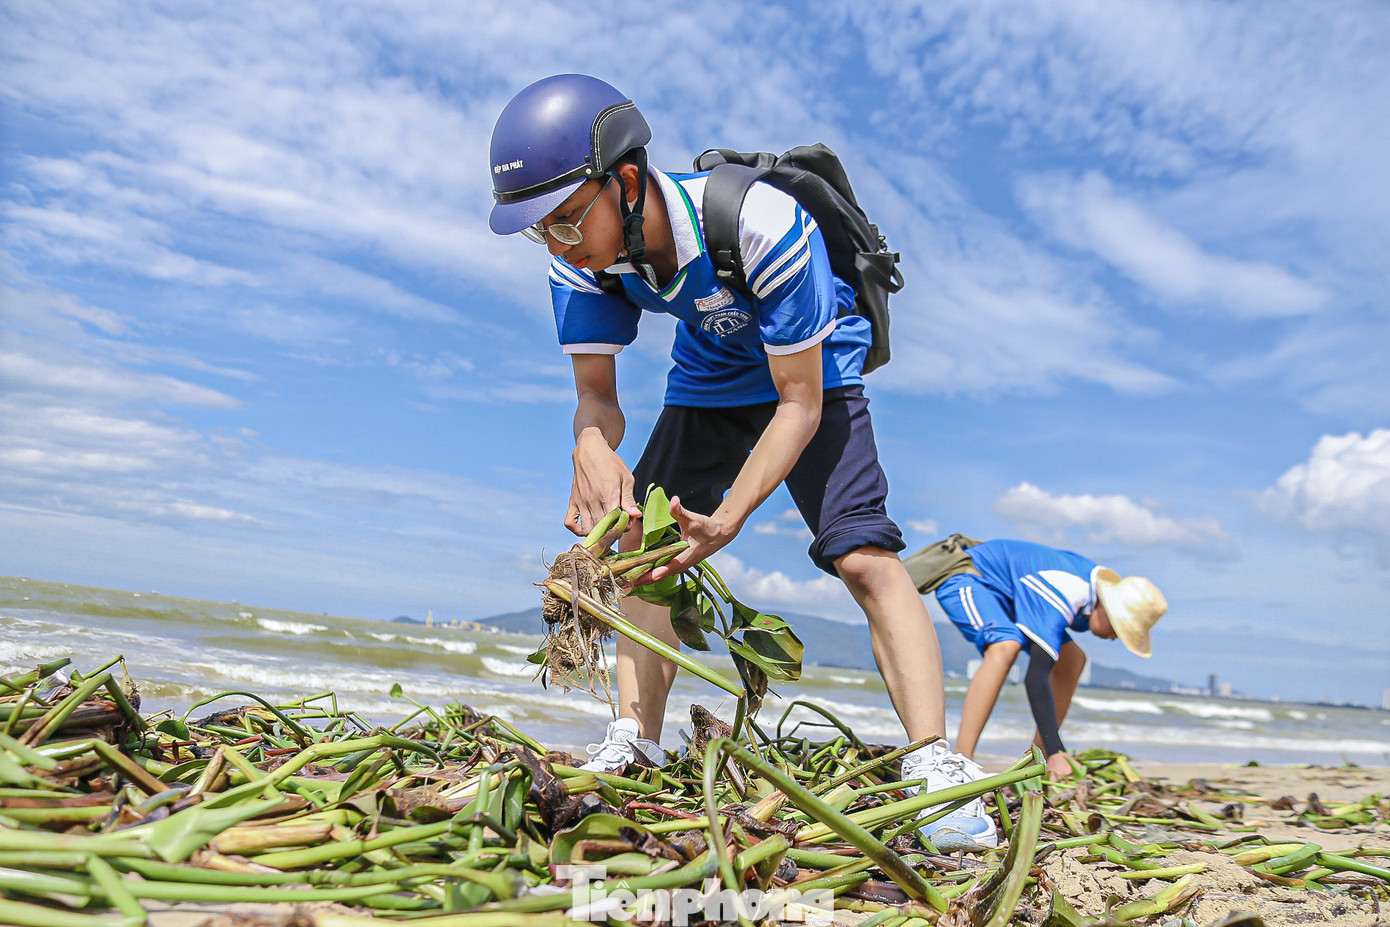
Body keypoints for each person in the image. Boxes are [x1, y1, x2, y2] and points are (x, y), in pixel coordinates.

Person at [488, 74, 996, 849]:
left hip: (814, 371)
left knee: (862, 555)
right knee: (644, 547)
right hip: (712, 376)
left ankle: (937, 764)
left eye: (564, 222)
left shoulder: (762, 224)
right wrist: (590, 449)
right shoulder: (579, 259)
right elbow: (597, 400)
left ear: (625, 182)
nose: (558, 247)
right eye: (540, 233)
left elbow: (798, 402)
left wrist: (728, 518)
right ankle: (637, 739)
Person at [927, 538, 1167, 779]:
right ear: (1108, 607)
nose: (1116, 638)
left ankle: (1033, 763)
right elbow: (1035, 678)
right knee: (1005, 646)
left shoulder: (1088, 588)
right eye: (1119, 628)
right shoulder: (1067, 594)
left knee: (1073, 660)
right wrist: (1057, 750)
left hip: (1009, 596)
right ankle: (960, 761)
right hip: (968, 577)